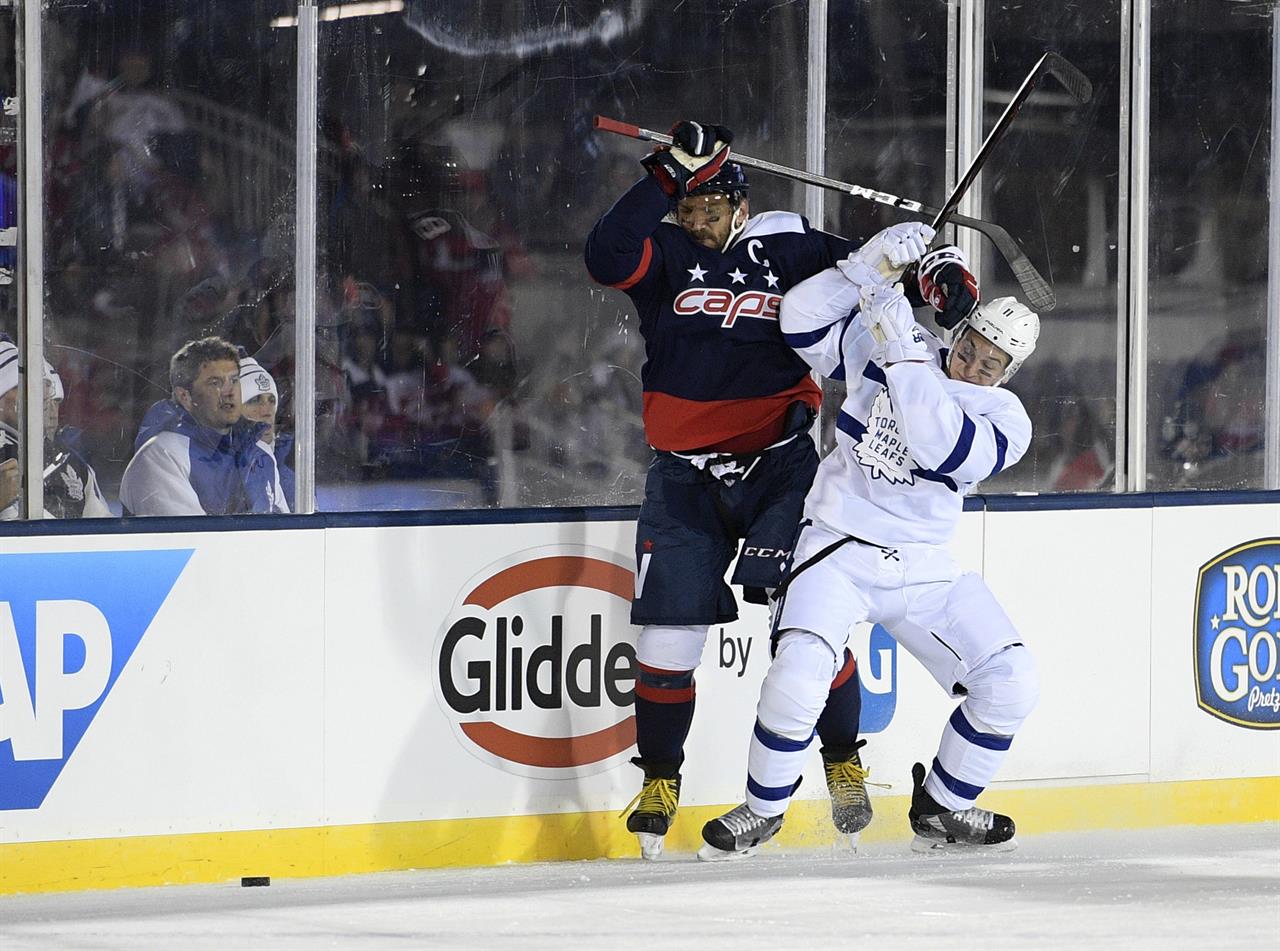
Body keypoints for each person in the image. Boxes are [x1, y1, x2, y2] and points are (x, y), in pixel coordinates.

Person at [584, 119, 976, 859]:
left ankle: (841, 756)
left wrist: (941, 273)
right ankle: (660, 777)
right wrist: (667, 173)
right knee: (667, 637)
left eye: (705, 207)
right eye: (685, 209)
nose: (693, 223)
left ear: (736, 200)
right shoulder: (664, 252)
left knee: (808, 624)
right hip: (682, 474)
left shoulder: (790, 245)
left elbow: (876, 274)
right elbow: (604, 253)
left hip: (781, 466)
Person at [699, 247, 1040, 859]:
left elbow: (941, 448)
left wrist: (903, 348)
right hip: (838, 544)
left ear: (1008, 373)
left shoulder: (1004, 417)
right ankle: (762, 809)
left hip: (925, 563)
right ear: (958, 331)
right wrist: (874, 265)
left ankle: (941, 807)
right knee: (800, 672)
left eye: (991, 365)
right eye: (968, 351)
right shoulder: (892, 338)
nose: (972, 368)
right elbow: (800, 319)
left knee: (1011, 681)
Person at [120, 336, 288, 516]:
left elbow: (288, 533)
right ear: (186, 396)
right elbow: (192, 539)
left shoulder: (260, 452)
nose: (229, 392)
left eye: (234, 380)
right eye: (215, 383)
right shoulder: (164, 453)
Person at [0, 338, 110, 519]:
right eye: (25, 388)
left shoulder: (72, 463)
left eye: (53, 400)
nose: (49, 408)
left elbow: (106, 528)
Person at [238, 355, 294, 511]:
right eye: (254, 400)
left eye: (271, 400)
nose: (267, 411)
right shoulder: (226, 467)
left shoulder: (290, 466)